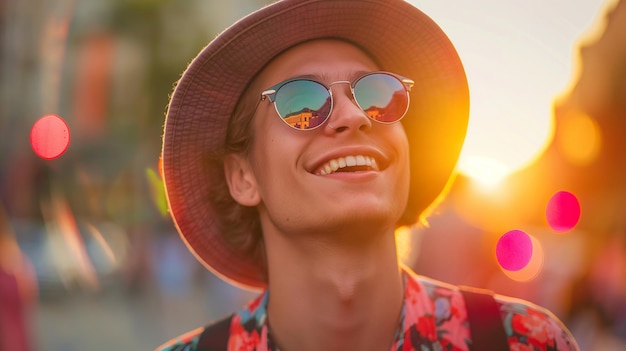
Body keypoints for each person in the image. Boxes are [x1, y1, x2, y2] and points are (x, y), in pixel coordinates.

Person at [155, 0, 580, 350]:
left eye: (378, 93)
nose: (355, 116)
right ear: (243, 176)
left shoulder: (525, 342)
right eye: (301, 100)